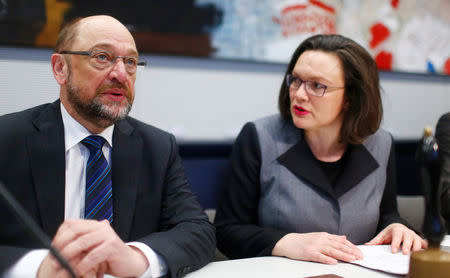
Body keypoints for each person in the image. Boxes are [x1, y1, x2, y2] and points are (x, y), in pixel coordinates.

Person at [0, 15, 215, 278]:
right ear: (60, 68)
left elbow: (197, 230)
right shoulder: (7, 139)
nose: (121, 74)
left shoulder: (157, 147)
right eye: (102, 57)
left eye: (131, 62)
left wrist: (136, 257)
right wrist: (39, 267)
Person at [214, 34, 427, 264]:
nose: (299, 94)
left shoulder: (381, 144)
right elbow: (226, 231)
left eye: (317, 85)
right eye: (295, 80)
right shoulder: (259, 136)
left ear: (351, 97)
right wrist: (285, 242)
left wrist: (396, 226)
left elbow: (385, 214)